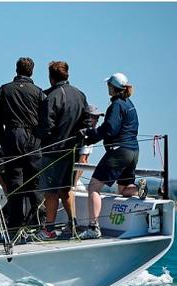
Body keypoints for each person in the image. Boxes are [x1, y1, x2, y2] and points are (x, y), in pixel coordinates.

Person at [78, 73, 141, 240]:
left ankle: (93, 227)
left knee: (93, 187)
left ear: (112, 87)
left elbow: (110, 129)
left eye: (108, 85)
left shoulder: (116, 105)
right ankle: (140, 187)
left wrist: (89, 135)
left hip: (119, 151)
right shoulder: (130, 104)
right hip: (133, 150)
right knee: (123, 189)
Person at [36, 61, 88, 240]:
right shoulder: (80, 95)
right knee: (66, 189)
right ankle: (73, 224)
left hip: (53, 150)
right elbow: (87, 121)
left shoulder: (50, 96)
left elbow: (46, 125)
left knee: (51, 191)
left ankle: (49, 229)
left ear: (51, 77)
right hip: (72, 150)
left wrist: (38, 136)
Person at [0, 57, 45, 232]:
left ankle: (15, 225)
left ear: (16, 70)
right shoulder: (38, 92)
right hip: (32, 137)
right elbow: (46, 119)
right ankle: (38, 222)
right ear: (32, 71)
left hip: (12, 136)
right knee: (35, 181)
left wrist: (2, 139)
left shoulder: (4, 90)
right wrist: (39, 137)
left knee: (15, 181)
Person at [74, 104, 104, 187]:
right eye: (95, 117)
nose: (97, 120)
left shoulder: (76, 129)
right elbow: (83, 161)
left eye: (98, 118)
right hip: (72, 178)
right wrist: (74, 183)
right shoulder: (87, 134)